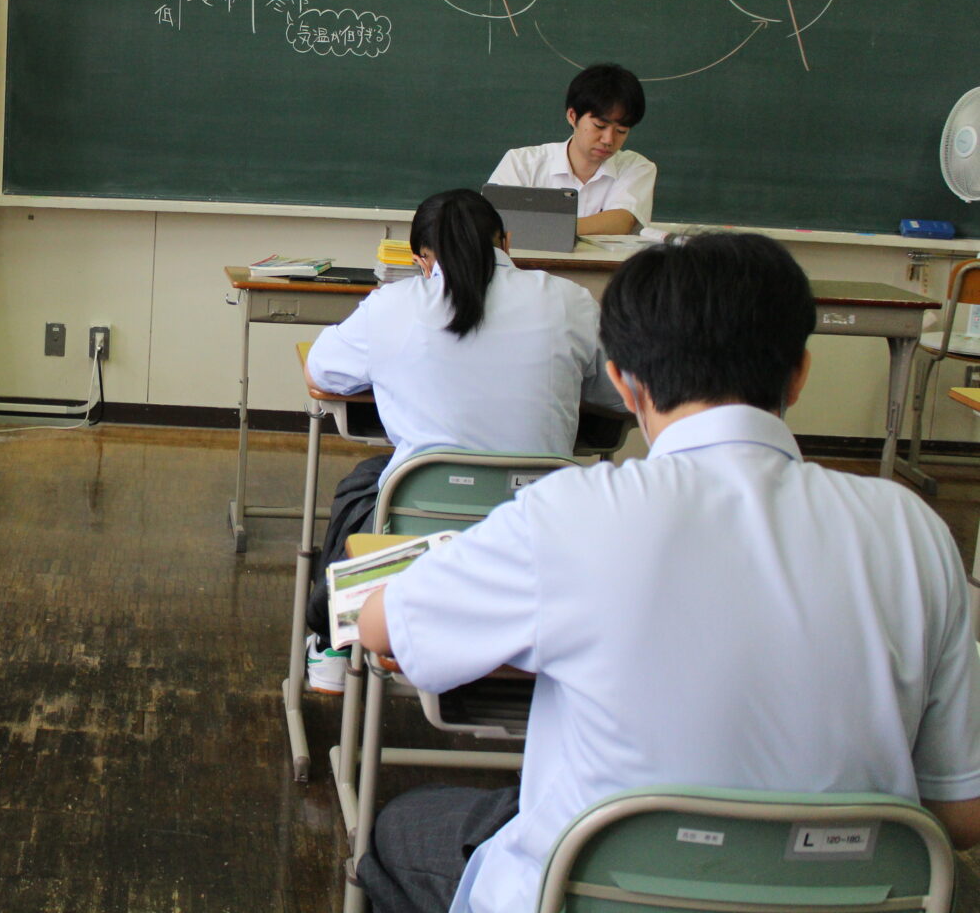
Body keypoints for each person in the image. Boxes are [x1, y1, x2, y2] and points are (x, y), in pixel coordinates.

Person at [356, 232, 980, 913]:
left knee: (403, 830)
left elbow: (382, 627)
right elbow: (962, 812)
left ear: (623, 381)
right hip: (844, 890)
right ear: (800, 373)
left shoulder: (573, 513)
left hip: (592, 887)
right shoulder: (912, 529)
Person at [301, 189, 618, 693]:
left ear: (421, 259)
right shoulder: (567, 300)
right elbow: (619, 395)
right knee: (377, 480)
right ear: (506, 241)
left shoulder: (394, 305)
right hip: (538, 541)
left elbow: (322, 370)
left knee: (366, 485)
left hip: (418, 543)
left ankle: (336, 644)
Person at [487, 62, 654, 235]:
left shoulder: (637, 167)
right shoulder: (521, 163)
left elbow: (621, 222)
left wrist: (536, 227)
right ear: (573, 116)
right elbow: (493, 223)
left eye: (621, 131)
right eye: (599, 126)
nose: (608, 140)